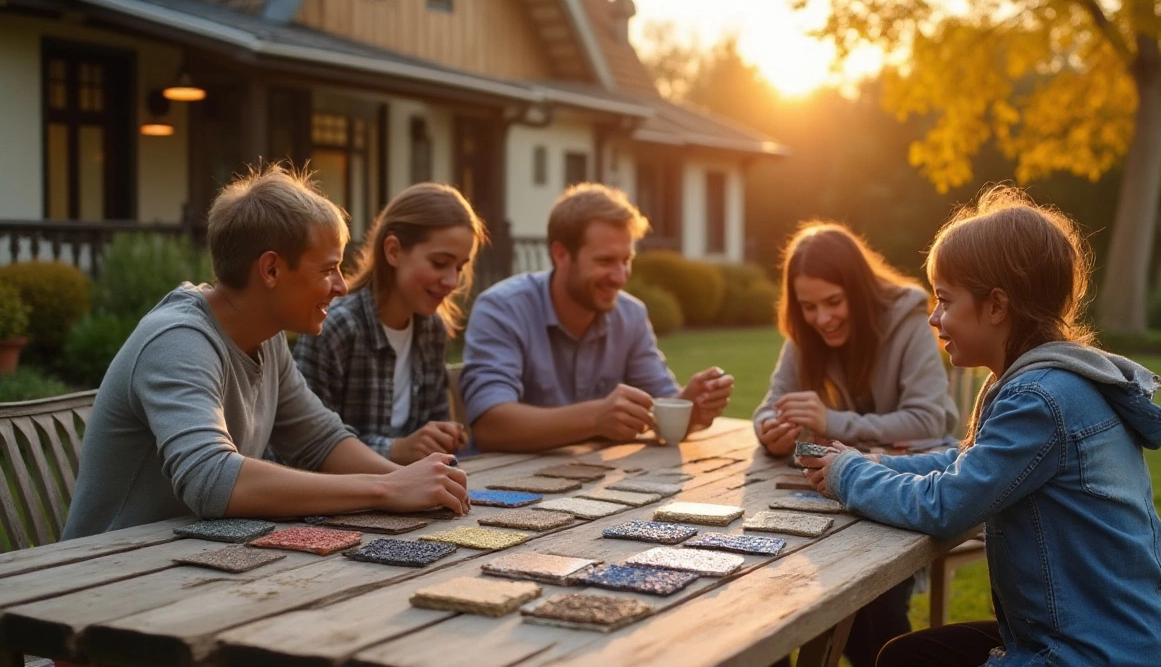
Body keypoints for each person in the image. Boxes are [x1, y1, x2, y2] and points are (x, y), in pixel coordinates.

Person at [798, 187, 1161, 667]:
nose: (935, 318)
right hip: (1095, 637)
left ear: (997, 306)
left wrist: (850, 475)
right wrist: (878, 462)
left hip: (1091, 654)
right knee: (908, 655)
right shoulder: (1047, 381)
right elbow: (971, 462)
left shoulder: (1040, 399)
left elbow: (948, 505)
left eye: (944, 300)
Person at [62, 165, 470, 540]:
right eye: (328, 269)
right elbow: (210, 478)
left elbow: (320, 440)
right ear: (271, 270)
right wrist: (386, 488)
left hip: (190, 559)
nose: (341, 286)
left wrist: (416, 483)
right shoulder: (177, 340)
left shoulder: (266, 336)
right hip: (107, 574)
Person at [755, 222, 957, 667]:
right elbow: (769, 407)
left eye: (833, 302)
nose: (821, 318)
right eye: (808, 306)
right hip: (837, 482)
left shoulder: (907, 319)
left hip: (911, 479)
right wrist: (771, 431)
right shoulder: (805, 331)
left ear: (859, 291)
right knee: (770, 581)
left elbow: (928, 421)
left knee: (872, 602)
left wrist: (831, 421)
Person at [460, 182, 734, 452]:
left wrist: (690, 407)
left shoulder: (631, 315)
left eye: (626, 260)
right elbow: (490, 427)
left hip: (595, 485)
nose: (619, 276)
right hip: (504, 486)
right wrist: (595, 418)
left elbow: (661, 408)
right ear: (561, 254)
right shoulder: (503, 309)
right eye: (605, 261)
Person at [293, 183, 484, 464]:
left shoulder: (433, 330)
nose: (453, 282)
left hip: (411, 494)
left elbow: (436, 436)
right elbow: (303, 445)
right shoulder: (336, 327)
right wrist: (396, 449)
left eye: (458, 267)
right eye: (439, 263)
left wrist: (444, 437)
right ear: (393, 251)